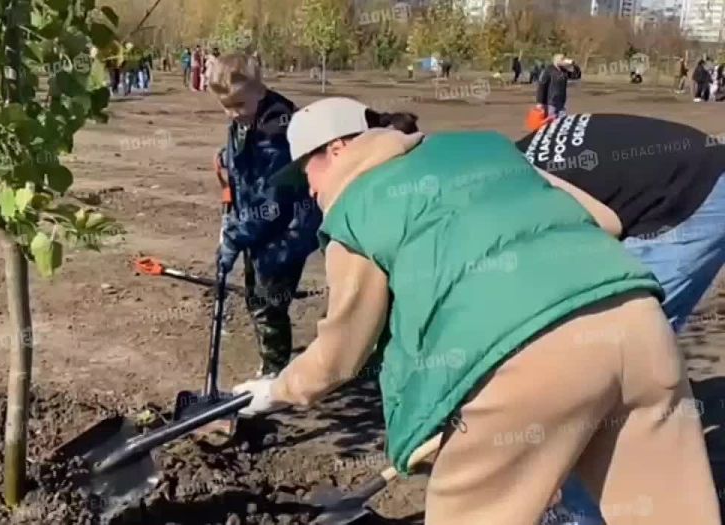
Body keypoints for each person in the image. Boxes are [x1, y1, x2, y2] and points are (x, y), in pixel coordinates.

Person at [231, 97, 720, 525]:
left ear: (337, 149)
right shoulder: (484, 148)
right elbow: (604, 219)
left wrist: (276, 391)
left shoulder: (355, 212)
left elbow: (340, 356)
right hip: (638, 327)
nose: (308, 189)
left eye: (306, 173)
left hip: (525, 359)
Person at [518, 113, 725, 523]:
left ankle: (580, 513)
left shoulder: (514, 199)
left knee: (608, 364)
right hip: (686, 176)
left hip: (692, 200)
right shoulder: (506, 163)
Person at [207, 54, 322, 377]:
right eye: (226, 107)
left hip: (288, 230)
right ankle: (272, 359)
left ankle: (274, 374)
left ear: (261, 90)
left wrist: (233, 239)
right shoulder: (247, 117)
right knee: (255, 295)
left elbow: (271, 204)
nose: (233, 114)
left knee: (269, 302)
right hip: (258, 225)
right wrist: (228, 159)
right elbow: (244, 167)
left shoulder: (277, 133)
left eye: (239, 105)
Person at [536, 53, 581, 118]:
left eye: (564, 59)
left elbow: (576, 76)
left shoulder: (563, 71)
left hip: (561, 101)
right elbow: (542, 86)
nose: (564, 61)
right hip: (551, 102)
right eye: (562, 59)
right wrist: (540, 102)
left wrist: (574, 65)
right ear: (556, 60)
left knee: (561, 121)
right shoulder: (548, 70)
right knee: (551, 122)